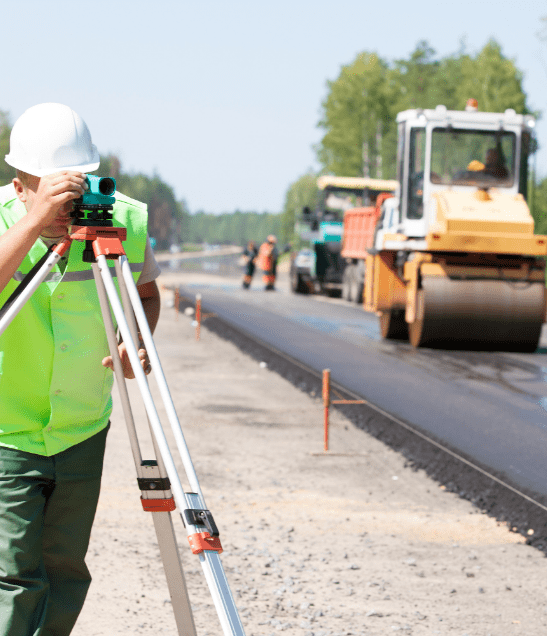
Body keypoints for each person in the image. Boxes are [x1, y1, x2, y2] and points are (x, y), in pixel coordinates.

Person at [0, 103, 161, 636]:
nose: (69, 204)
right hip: (7, 429)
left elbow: (146, 293)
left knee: (66, 573)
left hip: (81, 425)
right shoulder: (7, 217)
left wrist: (135, 341)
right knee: (13, 576)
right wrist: (35, 223)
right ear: (19, 184)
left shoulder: (123, 220)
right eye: (52, 190)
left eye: (77, 186)